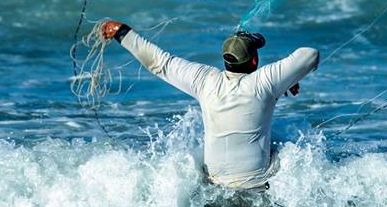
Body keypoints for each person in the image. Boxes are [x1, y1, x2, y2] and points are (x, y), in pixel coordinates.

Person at [101, 20, 319, 190]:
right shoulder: (264, 82)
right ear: (254, 61)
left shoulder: (205, 80)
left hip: (213, 186)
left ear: (225, 59)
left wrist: (122, 33)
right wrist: (287, 80)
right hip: (257, 188)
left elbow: (161, 63)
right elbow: (310, 54)